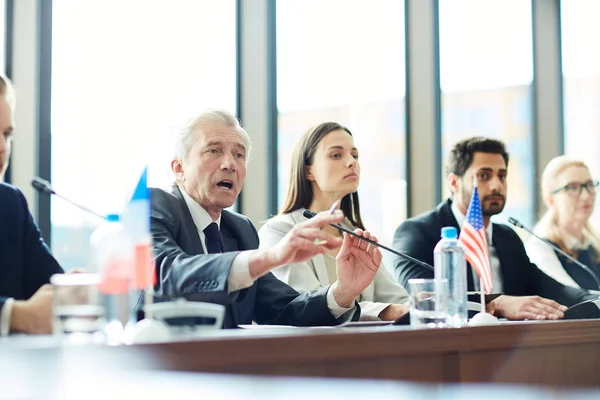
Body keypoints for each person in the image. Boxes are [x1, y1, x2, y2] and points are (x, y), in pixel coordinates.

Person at [151, 110, 382, 328]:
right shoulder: (154, 206)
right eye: (213, 151)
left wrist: (344, 290)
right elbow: (168, 273)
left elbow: (283, 309)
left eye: (239, 155)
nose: (230, 164)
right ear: (179, 168)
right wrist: (271, 257)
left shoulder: (240, 229)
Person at [392, 137, 595, 321]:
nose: (496, 185)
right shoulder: (415, 233)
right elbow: (425, 298)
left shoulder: (507, 237)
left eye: (502, 175)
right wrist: (496, 304)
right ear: (454, 182)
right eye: (483, 176)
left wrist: (594, 299)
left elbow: (550, 287)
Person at [258, 122, 409, 321]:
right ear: (308, 171)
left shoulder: (355, 233)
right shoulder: (279, 232)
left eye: (354, 155)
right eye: (336, 155)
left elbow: (396, 299)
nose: (351, 162)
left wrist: (421, 301)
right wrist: (384, 311)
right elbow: (306, 307)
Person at [0, 74, 64, 335]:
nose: (2, 148)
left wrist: (72, 289)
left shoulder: (10, 205)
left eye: (6, 135)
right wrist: (12, 315)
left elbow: (50, 288)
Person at [525, 156, 600, 290]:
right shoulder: (542, 248)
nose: (586, 195)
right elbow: (572, 298)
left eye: (589, 185)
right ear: (550, 200)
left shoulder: (593, 244)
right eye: (572, 187)